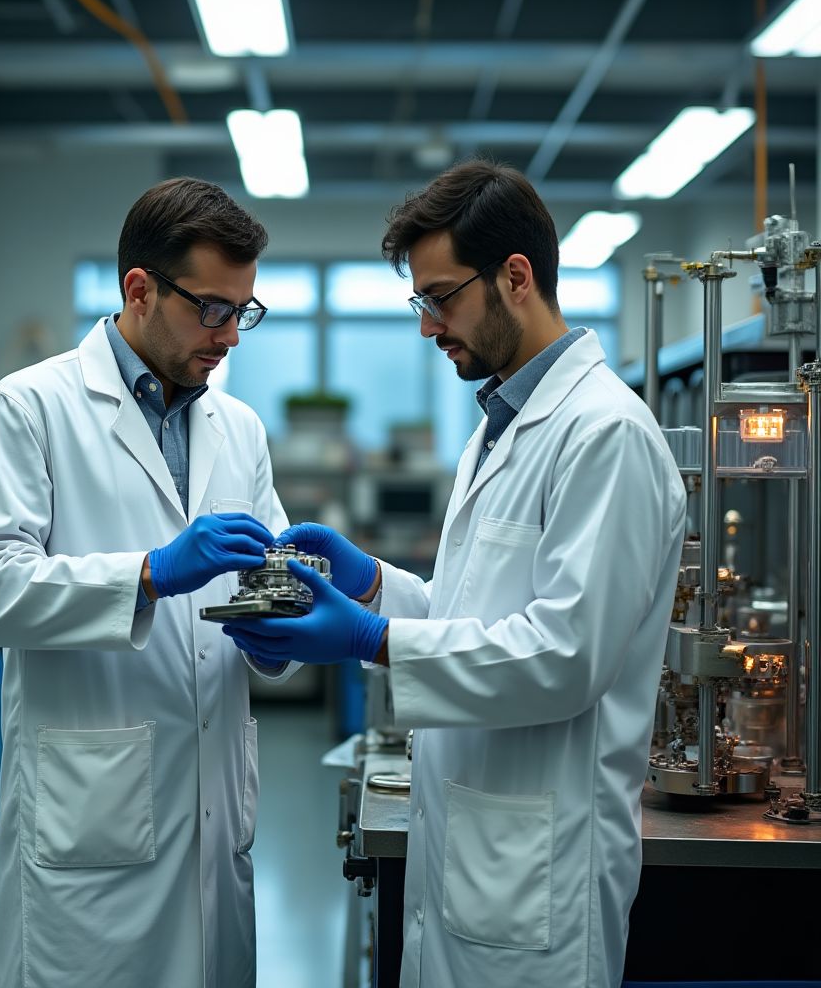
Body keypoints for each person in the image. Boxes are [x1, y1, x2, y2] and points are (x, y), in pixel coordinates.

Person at [224, 159, 687, 988]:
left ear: (516, 278)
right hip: (476, 851)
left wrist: (371, 636)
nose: (428, 327)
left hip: (541, 875)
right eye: (422, 302)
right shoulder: (500, 427)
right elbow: (470, 613)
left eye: (440, 298)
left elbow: (564, 655)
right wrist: (374, 584)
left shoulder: (604, 436)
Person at [0, 177, 295, 988]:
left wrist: (291, 607)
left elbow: (260, 583)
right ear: (139, 290)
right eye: (213, 309)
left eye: (244, 311)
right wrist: (149, 574)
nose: (231, 337)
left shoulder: (236, 427)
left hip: (214, 822)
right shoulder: (30, 408)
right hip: (90, 826)